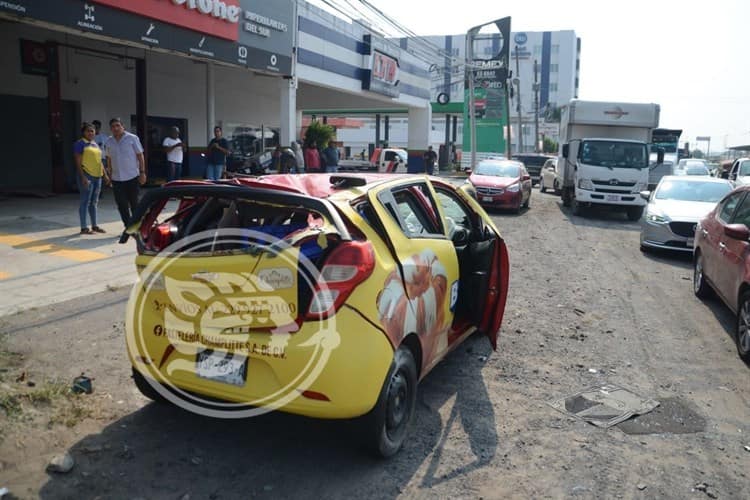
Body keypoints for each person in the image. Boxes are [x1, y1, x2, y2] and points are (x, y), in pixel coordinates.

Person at [105, 117, 146, 228]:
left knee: (135, 204)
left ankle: (137, 227)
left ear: (123, 126)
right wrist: (108, 175)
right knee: (121, 205)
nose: (116, 128)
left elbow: (140, 155)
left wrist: (142, 172)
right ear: (110, 129)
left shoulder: (132, 138)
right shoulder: (109, 141)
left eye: (118, 125)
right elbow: (108, 159)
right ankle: (128, 227)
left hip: (132, 176)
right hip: (116, 179)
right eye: (113, 126)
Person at [74, 122, 110, 234]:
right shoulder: (80, 144)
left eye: (92, 131)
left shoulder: (95, 144)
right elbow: (78, 162)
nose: (90, 133)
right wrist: (83, 177)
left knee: (94, 202)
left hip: (97, 176)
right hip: (87, 175)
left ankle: (95, 225)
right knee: (85, 201)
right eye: (88, 131)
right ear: (83, 132)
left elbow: (100, 161)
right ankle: (84, 227)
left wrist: (105, 175)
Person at [93, 120, 108, 199]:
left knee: (102, 176)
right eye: (95, 127)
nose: (96, 129)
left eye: (97, 127)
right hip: (92, 160)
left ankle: (100, 192)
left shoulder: (104, 137)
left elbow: (107, 148)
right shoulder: (90, 137)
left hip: (102, 159)